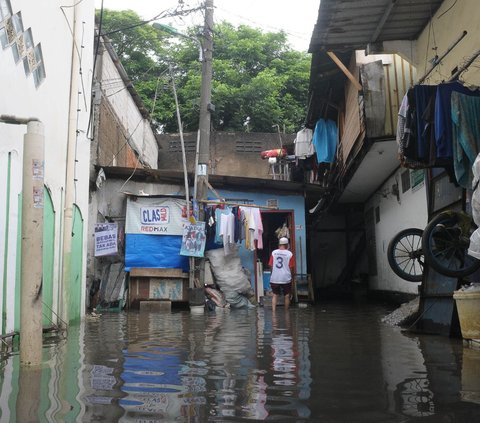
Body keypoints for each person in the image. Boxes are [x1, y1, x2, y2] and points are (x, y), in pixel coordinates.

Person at [269, 237, 295, 311]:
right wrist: (291, 277)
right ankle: (286, 312)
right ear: (287, 245)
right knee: (287, 295)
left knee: (275, 295)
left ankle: (273, 313)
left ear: (279, 244)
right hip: (285, 278)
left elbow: (270, 265)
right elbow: (291, 267)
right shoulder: (289, 254)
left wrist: (272, 274)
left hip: (275, 278)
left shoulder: (274, 253)